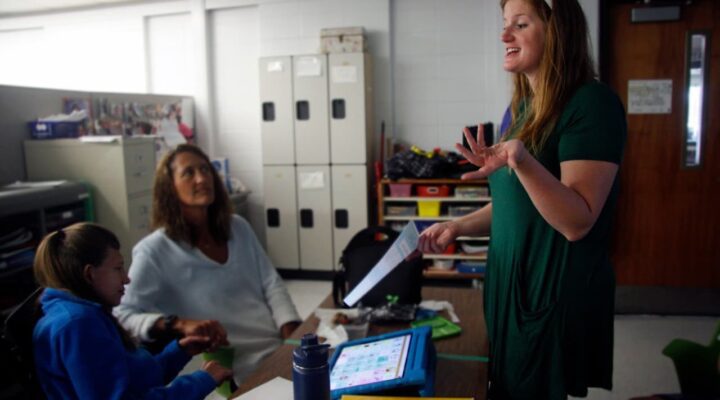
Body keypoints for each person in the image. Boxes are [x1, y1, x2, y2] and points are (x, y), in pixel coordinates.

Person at [417, 0, 627, 398]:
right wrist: (456, 225)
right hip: (509, 286)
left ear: (557, 31)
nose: (504, 35)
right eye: (504, 24)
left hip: (549, 289)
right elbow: (517, 207)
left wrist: (522, 160)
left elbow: (577, 220)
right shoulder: (521, 109)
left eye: (520, 24)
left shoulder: (591, 105)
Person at [114, 144, 301, 385]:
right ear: (169, 187)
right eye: (189, 173)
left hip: (275, 350)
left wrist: (293, 339)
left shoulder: (238, 227)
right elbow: (124, 316)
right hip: (231, 372)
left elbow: (272, 284)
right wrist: (175, 323)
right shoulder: (154, 251)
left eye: (205, 169)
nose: (202, 178)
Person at [32, 223, 232, 399]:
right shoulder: (77, 324)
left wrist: (181, 350)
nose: (126, 279)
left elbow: (135, 377)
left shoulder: (84, 314)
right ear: (90, 274)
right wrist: (202, 381)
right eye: (118, 269)